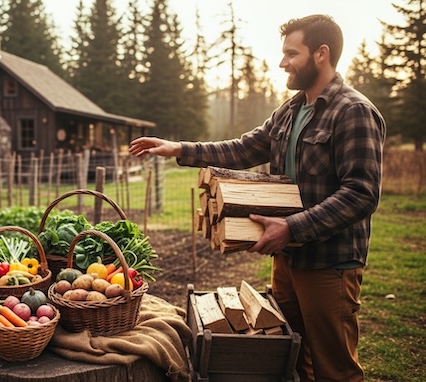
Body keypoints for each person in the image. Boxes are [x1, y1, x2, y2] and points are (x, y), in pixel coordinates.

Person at [130, 14, 385, 382]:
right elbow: (243, 148)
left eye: (291, 53)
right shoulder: (291, 110)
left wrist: (292, 227)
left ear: (321, 54)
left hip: (330, 263)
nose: (282, 62)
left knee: (335, 369)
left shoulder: (354, 111)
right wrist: (179, 148)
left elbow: (361, 194)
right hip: (288, 258)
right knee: (295, 359)